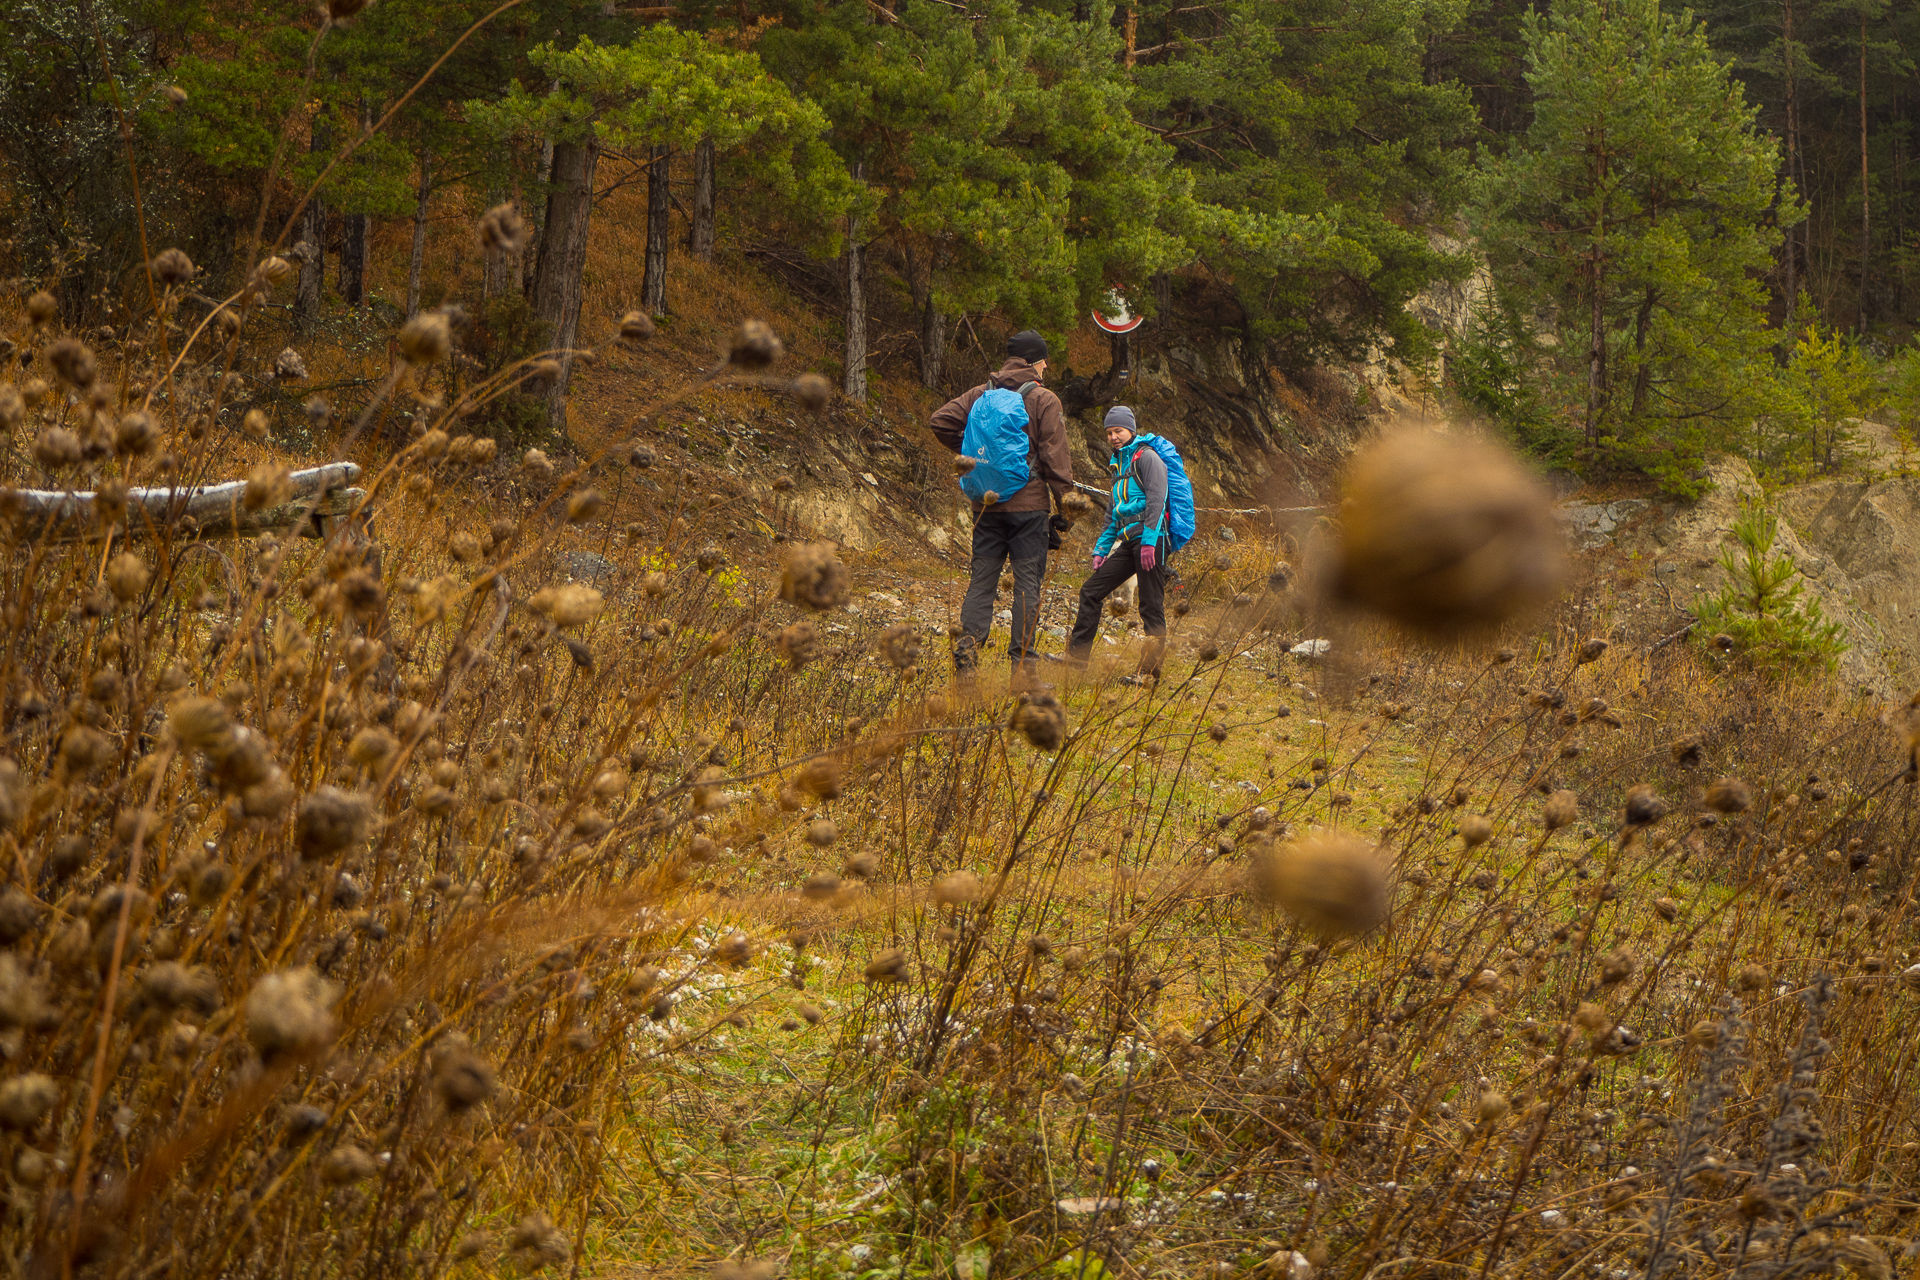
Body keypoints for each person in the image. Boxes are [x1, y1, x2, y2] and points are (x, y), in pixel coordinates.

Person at [930, 329, 1074, 687]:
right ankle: (1023, 673)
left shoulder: (982, 393)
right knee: (1027, 586)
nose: (1046, 367)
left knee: (981, 582)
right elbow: (1056, 460)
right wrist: (1065, 511)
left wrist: (975, 459)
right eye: (1044, 361)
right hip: (1028, 510)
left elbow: (940, 421)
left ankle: (966, 656)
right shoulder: (1043, 399)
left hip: (987, 506)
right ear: (1034, 362)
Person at [1068, 406, 1170, 677]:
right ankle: (1076, 661)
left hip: (1153, 539)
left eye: (1119, 431)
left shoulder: (1148, 459)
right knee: (1091, 591)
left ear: (1131, 430)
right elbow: (1112, 515)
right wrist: (1101, 549)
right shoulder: (1118, 467)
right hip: (1129, 542)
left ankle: (1149, 675)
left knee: (1150, 605)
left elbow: (1157, 500)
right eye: (1109, 432)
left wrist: (1149, 541)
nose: (1113, 437)